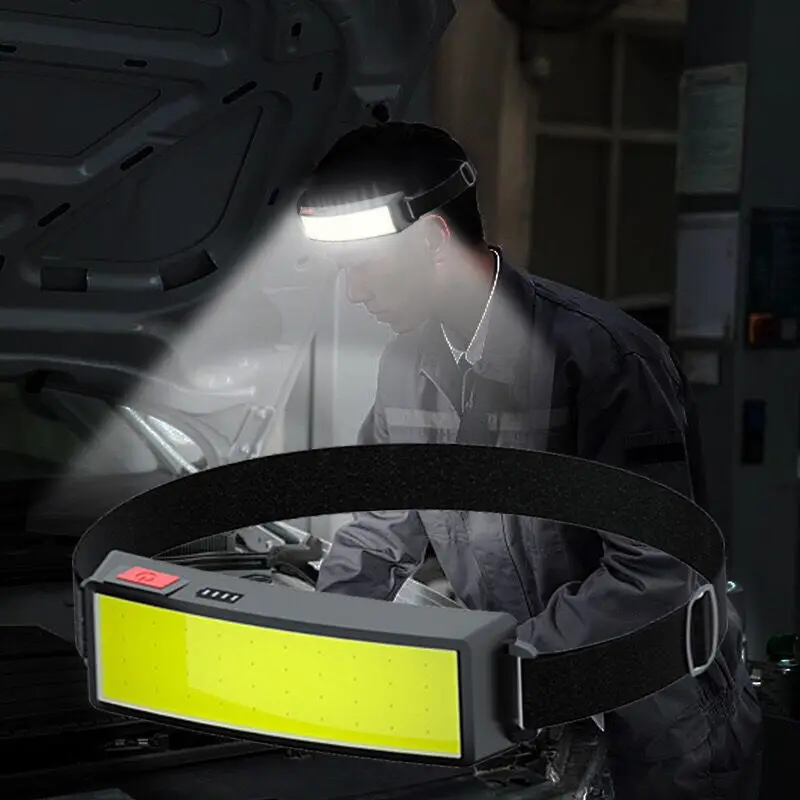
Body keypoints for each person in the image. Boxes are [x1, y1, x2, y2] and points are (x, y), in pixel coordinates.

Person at [306, 121, 763, 800]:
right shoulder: (404, 366)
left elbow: (655, 571)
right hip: (531, 715)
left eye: (364, 265)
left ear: (432, 241)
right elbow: (380, 525)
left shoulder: (603, 359)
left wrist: (498, 668)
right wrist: (325, 642)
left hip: (658, 726)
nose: (353, 293)